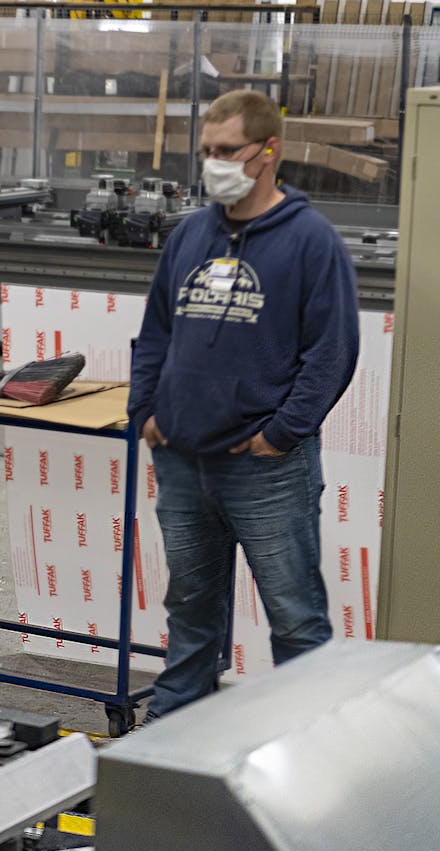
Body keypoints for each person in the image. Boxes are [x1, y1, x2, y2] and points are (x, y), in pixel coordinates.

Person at [127, 89, 360, 723]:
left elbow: (332, 352)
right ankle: (172, 738)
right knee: (191, 610)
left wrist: (281, 434)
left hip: (265, 469)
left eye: (227, 151)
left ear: (267, 152)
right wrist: (145, 412)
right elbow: (155, 333)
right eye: (207, 151)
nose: (214, 163)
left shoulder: (311, 241)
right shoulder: (192, 234)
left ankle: (309, 743)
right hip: (181, 459)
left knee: (293, 614)